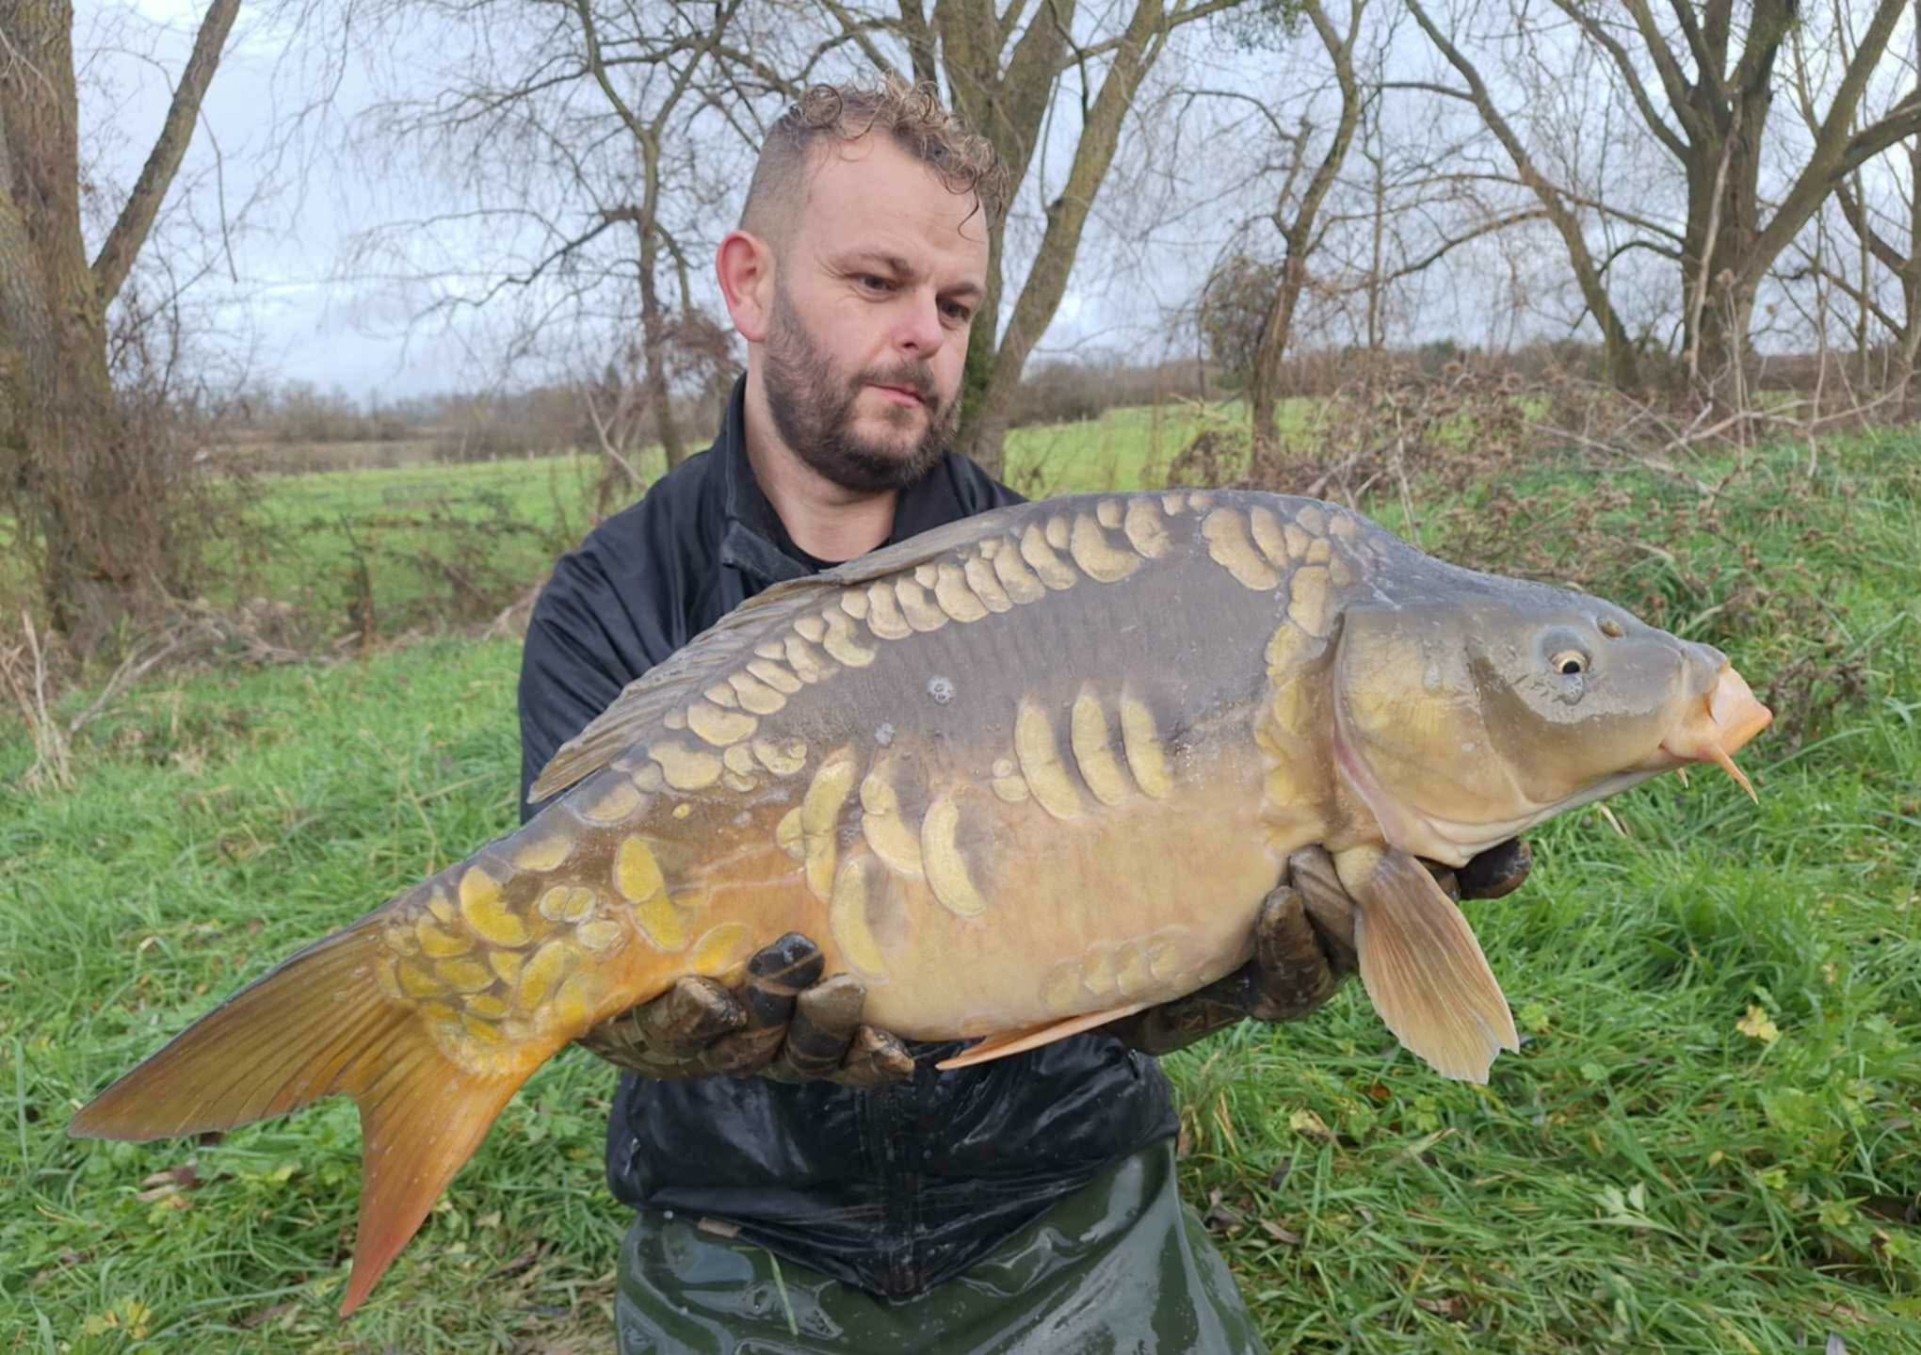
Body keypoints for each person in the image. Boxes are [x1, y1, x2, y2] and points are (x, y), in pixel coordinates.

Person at [516, 79, 1529, 1354]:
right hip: (744, 1226)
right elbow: (556, 925)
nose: (923, 335)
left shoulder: (1082, 582)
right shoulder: (608, 599)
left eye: (952, 305)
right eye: (876, 282)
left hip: (1054, 1194)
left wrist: (1196, 976)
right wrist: (659, 1028)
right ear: (750, 283)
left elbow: (1158, 889)